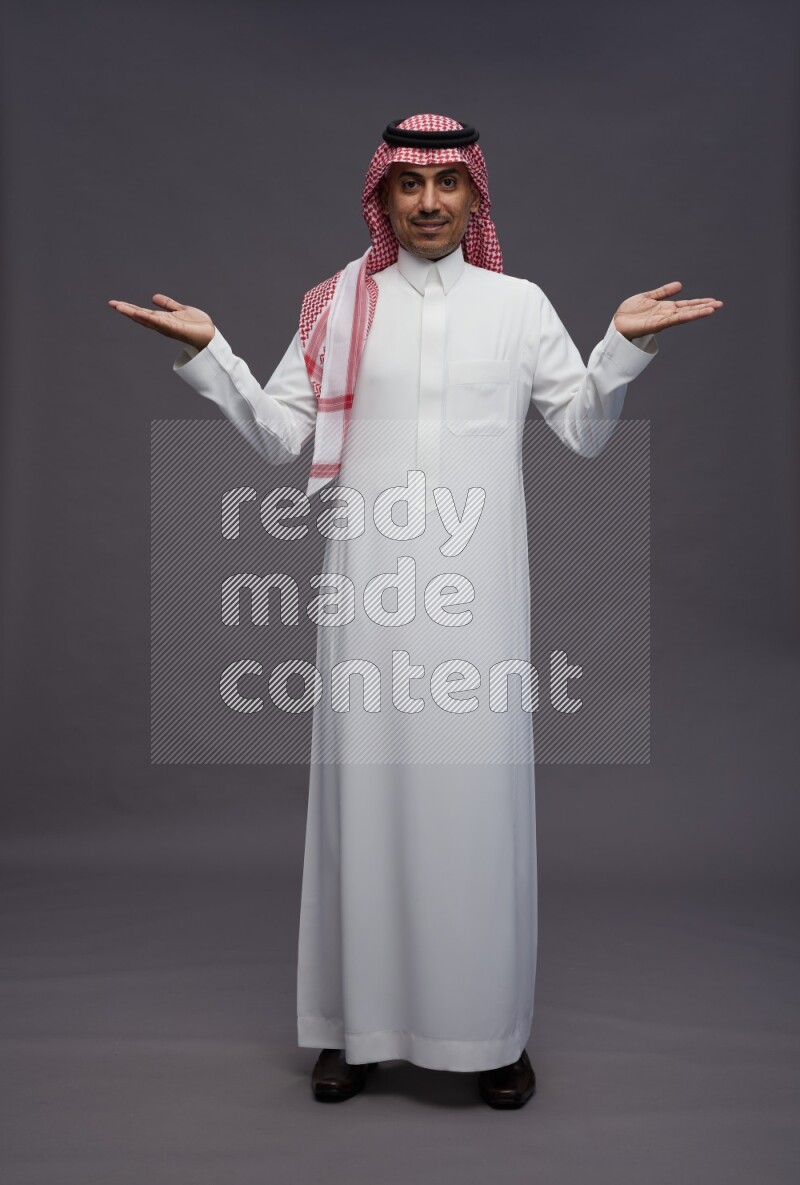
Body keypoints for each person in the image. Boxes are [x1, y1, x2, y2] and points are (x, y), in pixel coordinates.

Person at [108, 113, 722, 1109]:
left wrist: (618, 345)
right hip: (366, 599)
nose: (429, 202)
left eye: (448, 185)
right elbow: (277, 438)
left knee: (474, 812)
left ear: (476, 198)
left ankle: (489, 1035)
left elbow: (579, 427)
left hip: (479, 603)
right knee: (364, 804)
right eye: (410, 185)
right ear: (382, 195)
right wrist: (211, 353)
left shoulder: (517, 306)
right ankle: (355, 1029)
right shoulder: (336, 309)